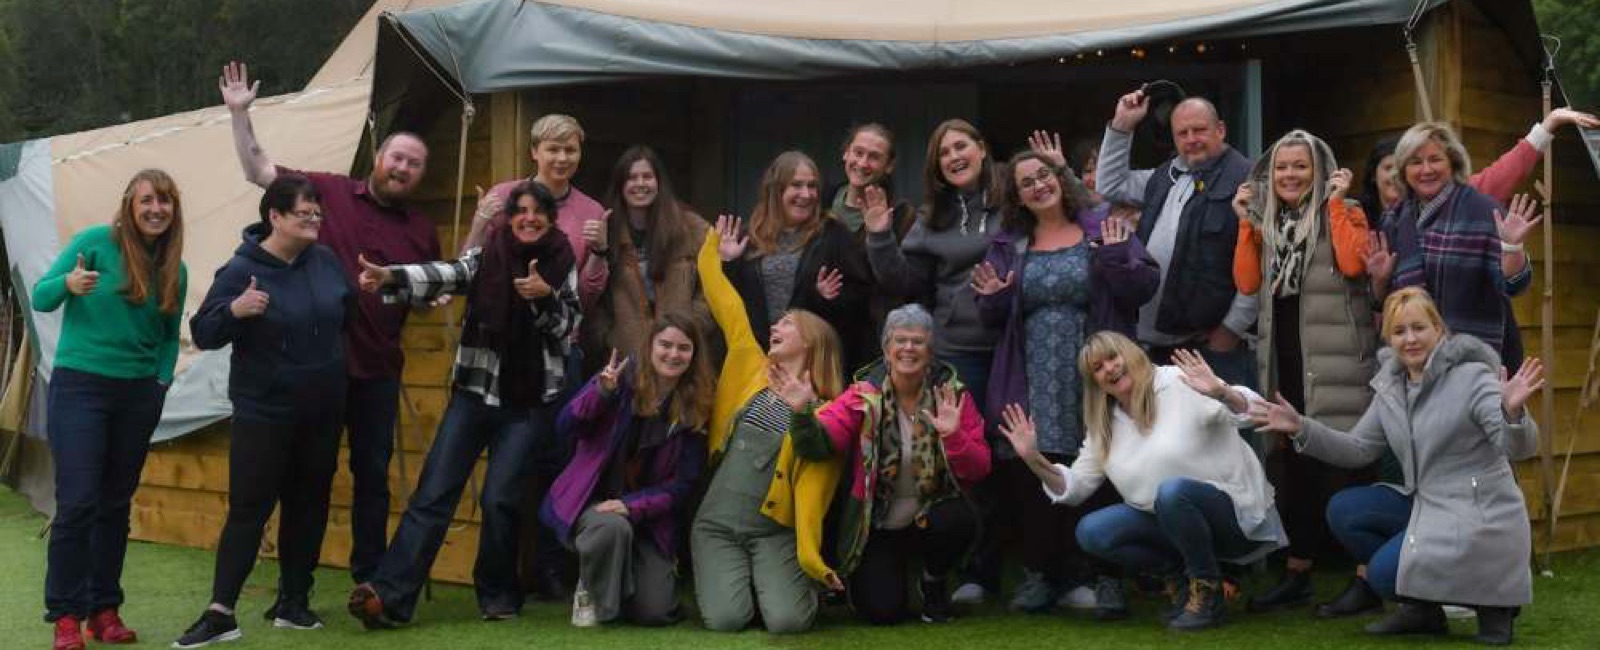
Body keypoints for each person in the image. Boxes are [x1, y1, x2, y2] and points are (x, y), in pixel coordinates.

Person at [220, 61, 441, 586]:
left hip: (378, 373)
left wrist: (413, 287)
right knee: (302, 481)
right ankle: (290, 587)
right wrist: (239, 115)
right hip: (317, 372)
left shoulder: (422, 229)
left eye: (414, 164)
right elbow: (259, 173)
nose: (404, 168)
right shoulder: (329, 194)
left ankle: (368, 579)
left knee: (372, 478)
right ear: (379, 156)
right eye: (398, 157)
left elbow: (430, 297)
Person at [1251, 287, 1543, 646]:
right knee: (1346, 509)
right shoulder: (1391, 386)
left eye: (1419, 327)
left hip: (1477, 511)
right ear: (1388, 338)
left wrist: (1512, 411)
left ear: (1438, 329)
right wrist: (1301, 428)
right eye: (1399, 331)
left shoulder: (1472, 378)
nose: (1410, 339)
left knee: (1382, 575)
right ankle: (1422, 610)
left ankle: (1495, 605)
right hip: (1426, 503)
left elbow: (1519, 448)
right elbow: (1357, 449)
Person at [346, 181, 580, 627]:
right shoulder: (488, 254)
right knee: (434, 493)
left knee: (500, 500)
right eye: (520, 211)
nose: (528, 218)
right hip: (474, 395)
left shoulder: (561, 260)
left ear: (550, 219)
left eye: (538, 212)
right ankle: (390, 597)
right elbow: (446, 273)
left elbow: (567, 326)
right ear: (508, 217)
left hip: (528, 404)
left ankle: (497, 594)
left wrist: (543, 297)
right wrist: (391, 275)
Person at [972, 150, 1158, 616]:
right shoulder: (1009, 243)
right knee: (1032, 465)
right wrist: (993, 300)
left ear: (1060, 178)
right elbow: (992, 317)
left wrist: (1116, 258)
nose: (1038, 185)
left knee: (1104, 463)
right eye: (1026, 183)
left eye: (1044, 175)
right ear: (1017, 197)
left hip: (1097, 369)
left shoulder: (1101, 226)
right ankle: (1042, 574)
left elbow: (1142, 288)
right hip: (1031, 368)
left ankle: (1106, 577)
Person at [997, 332, 1286, 631]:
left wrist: (1221, 392)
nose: (1109, 368)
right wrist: (1033, 458)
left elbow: (1254, 413)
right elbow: (1075, 487)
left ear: (1132, 354)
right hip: (1171, 522)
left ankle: (1209, 593)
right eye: (1098, 368)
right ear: (1096, 383)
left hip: (1232, 516)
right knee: (1093, 531)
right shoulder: (1105, 424)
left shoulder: (1177, 381)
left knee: (1173, 491)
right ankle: (1180, 581)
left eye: (1113, 357)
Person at [176, 174, 354, 647]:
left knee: (309, 505)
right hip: (265, 412)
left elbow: (348, 315)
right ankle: (220, 614)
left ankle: (293, 602)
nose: (315, 219)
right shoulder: (241, 270)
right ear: (274, 217)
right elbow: (204, 332)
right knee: (249, 510)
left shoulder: (327, 261)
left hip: (322, 412)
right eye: (304, 213)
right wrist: (235, 310)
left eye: (318, 212)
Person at [34, 170, 187, 650]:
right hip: (80, 388)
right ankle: (65, 616)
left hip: (138, 395)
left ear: (173, 210)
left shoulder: (174, 270)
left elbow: (167, 338)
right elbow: (41, 296)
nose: (155, 210)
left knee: (115, 506)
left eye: (164, 202)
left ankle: (104, 611)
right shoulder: (96, 243)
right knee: (78, 502)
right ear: (129, 204)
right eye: (146, 201)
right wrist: (69, 282)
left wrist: (160, 382)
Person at [1228, 130, 1376, 612]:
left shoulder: (1347, 211)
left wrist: (1334, 204)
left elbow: (1355, 265)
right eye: (1282, 167)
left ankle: (1367, 578)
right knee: (1297, 473)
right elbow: (1248, 283)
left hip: (1339, 368)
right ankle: (1299, 574)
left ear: (1320, 171)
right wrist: (1245, 224)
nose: (1290, 175)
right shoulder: (1268, 223)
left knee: (1348, 471)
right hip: (1288, 366)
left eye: (1301, 166)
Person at [467, 113, 610, 599]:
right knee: (507, 469)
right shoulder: (505, 197)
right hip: (503, 356)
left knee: (556, 460)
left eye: (570, 149)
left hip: (560, 354)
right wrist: (478, 222)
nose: (562, 158)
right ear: (534, 152)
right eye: (553, 149)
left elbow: (587, 298)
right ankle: (502, 572)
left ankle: (548, 569)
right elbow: (469, 266)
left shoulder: (591, 211)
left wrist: (599, 254)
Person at [865, 118, 1005, 602]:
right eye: (944, 153)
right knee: (966, 460)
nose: (954, 157)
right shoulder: (935, 216)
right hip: (959, 352)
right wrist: (880, 235)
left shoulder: (1014, 203)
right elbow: (904, 284)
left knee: (1016, 455)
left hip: (1013, 345)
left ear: (983, 149)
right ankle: (975, 572)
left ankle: (1038, 566)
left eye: (962, 145)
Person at [780, 304, 990, 625]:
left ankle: (932, 582)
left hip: (929, 515)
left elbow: (979, 468)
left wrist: (953, 436)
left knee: (957, 519)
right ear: (886, 348)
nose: (908, 348)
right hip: (877, 523)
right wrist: (801, 414)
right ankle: (870, 578)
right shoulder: (862, 395)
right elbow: (817, 447)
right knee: (883, 612)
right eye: (900, 340)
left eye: (918, 341)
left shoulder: (952, 395)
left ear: (930, 350)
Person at [691, 216, 847, 634]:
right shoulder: (748, 361)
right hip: (717, 523)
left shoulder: (831, 409)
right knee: (728, 620)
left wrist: (812, 559)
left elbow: (818, 490)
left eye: (787, 324)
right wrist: (714, 254)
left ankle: (776, 588)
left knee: (788, 622)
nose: (775, 327)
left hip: (774, 532)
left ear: (811, 341)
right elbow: (725, 302)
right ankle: (745, 587)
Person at [541, 313, 712, 627]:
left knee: (656, 612)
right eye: (665, 345)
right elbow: (566, 426)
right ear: (650, 346)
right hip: (594, 504)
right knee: (611, 527)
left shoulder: (695, 405)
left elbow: (682, 486)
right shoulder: (619, 380)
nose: (673, 354)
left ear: (694, 355)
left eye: (684, 348)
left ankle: (622, 576)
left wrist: (632, 507)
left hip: (646, 516)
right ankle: (590, 589)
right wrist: (600, 393)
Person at [1095, 88, 1257, 384]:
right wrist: (1122, 126)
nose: (1191, 139)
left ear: (1220, 129)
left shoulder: (1247, 179)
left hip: (1210, 348)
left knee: (1220, 428)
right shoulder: (1163, 175)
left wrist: (1231, 330)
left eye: (1199, 130)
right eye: (1182, 133)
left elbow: (1261, 264)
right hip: (1153, 346)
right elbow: (1110, 184)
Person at [1364, 123, 1533, 362]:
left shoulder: (1482, 212)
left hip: (1469, 364)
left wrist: (1513, 249)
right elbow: (1384, 304)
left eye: (1435, 159)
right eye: (1415, 162)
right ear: (1403, 170)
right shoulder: (1393, 221)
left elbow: (1515, 285)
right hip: (1410, 369)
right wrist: (1380, 281)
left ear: (1452, 162)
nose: (1426, 169)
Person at [720, 151, 873, 370]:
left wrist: (825, 298)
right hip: (759, 361)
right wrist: (728, 263)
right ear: (776, 190)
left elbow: (860, 298)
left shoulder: (833, 234)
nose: (807, 194)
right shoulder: (748, 238)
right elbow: (730, 306)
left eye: (812, 186)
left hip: (813, 362)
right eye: (797, 185)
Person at [586, 146, 710, 368]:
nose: (640, 184)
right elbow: (593, 296)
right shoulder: (607, 230)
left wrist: (693, 325)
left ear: (659, 182)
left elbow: (712, 287)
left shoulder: (692, 228)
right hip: (626, 360)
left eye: (647, 176)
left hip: (680, 356)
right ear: (620, 185)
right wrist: (607, 336)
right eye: (631, 178)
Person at [825, 123, 916, 241]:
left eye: (874, 157)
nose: (863, 163)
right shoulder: (821, 201)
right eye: (858, 153)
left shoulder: (901, 216)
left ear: (889, 166)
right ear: (846, 153)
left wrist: (880, 234)